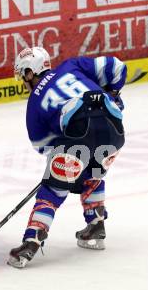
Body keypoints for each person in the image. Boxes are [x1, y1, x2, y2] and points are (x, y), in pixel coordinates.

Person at [8, 47, 126, 268]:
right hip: (115, 129)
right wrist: (114, 93)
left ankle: (31, 242)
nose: (23, 81)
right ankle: (96, 226)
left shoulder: (34, 102)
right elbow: (117, 67)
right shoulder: (72, 65)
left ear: (29, 72)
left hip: (79, 128)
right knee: (93, 173)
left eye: (23, 75)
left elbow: (42, 145)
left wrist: (61, 171)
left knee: (54, 188)